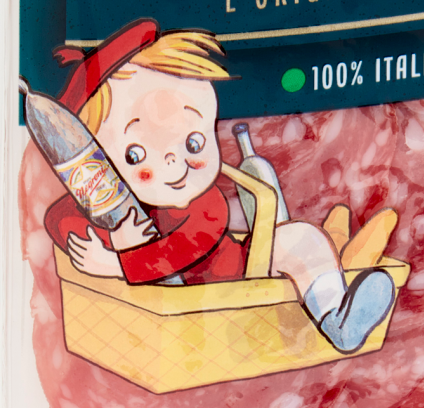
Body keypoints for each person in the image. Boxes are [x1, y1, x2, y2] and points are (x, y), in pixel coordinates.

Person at [41, 18, 396, 354]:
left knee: (304, 239)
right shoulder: (107, 199)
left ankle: (336, 319)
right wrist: (107, 234)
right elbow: (59, 219)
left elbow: (183, 249)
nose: (174, 164)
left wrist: (121, 264)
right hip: (168, 321)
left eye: (193, 143)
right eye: (136, 155)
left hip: (240, 275)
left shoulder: (205, 204)